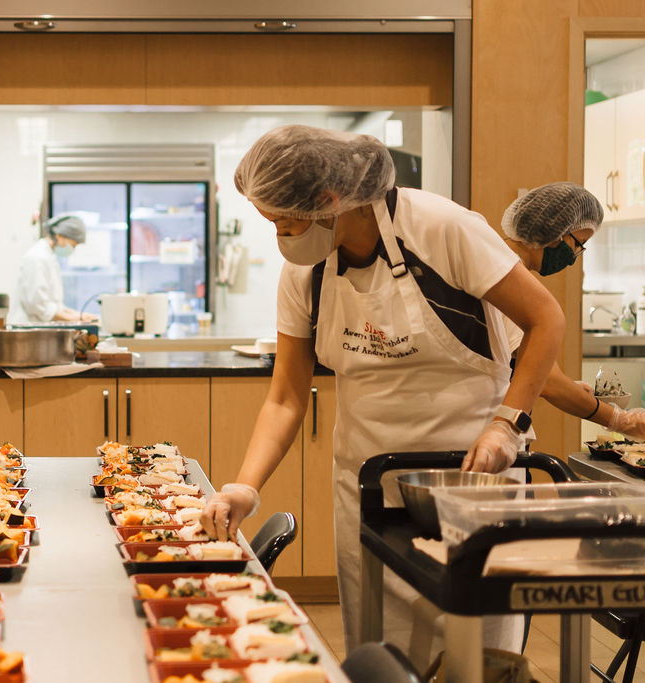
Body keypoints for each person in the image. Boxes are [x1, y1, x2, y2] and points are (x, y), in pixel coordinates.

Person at [200, 125, 564, 669]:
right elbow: (285, 397)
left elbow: (545, 319)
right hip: (368, 489)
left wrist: (507, 425)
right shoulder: (307, 272)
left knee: (480, 662)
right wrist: (245, 486)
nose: (281, 236)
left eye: (285, 221)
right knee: (382, 657)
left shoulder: (443, 228)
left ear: (330, 201)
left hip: (472, 480)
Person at [499, 181, 645, 439]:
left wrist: (572, 390)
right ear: (553, 231)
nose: (575, 255)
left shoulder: (500, 264)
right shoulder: (507, 278)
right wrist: (620, 420)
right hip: (490, 435)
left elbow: (526, 368)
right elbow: (548, 382)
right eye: (579, 243)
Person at [12, 213, 98, 323]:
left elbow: (56, 306)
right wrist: (77, 318)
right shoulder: (37, 258)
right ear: (59, 236)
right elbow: (37, 306)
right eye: (73, 244)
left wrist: (81, 315)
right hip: (27, 327)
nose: (72, 249)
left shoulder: (49, 257)